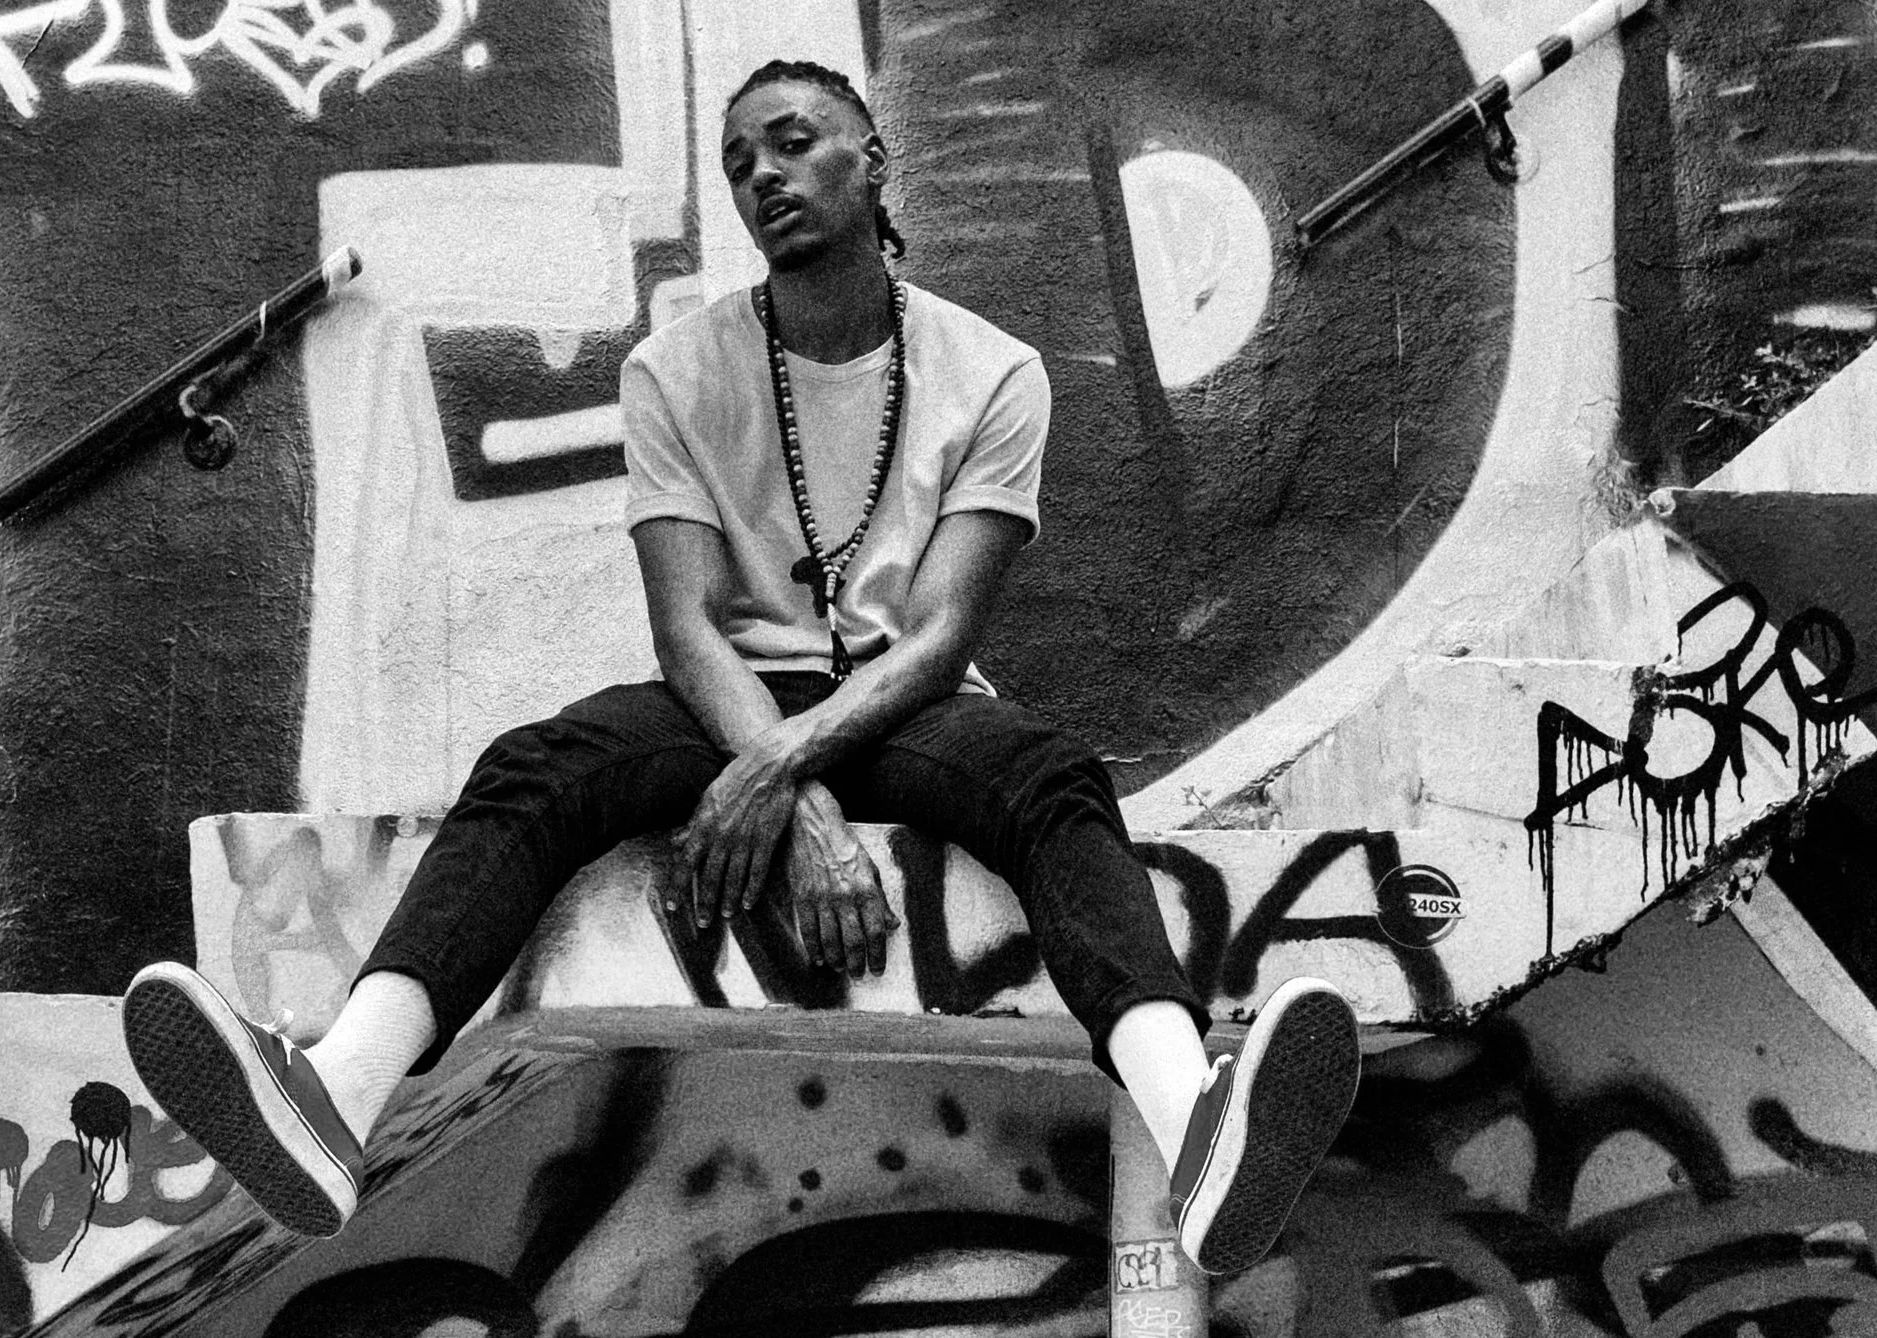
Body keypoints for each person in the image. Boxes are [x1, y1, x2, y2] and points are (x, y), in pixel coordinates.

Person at [122, 58, 1360, 1275]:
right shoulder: (673, 372)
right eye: (738, 162)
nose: (763, 173)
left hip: (904, 701)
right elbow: (685, 628)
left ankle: (1198, 1124)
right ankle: (334, 1098)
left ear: (872, 162)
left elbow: (938, 639)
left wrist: (786, 771)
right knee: (537, 772)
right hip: (726, 703)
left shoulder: (995, 371)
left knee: (1051, 780)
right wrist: (791, 790)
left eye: (793, 139)